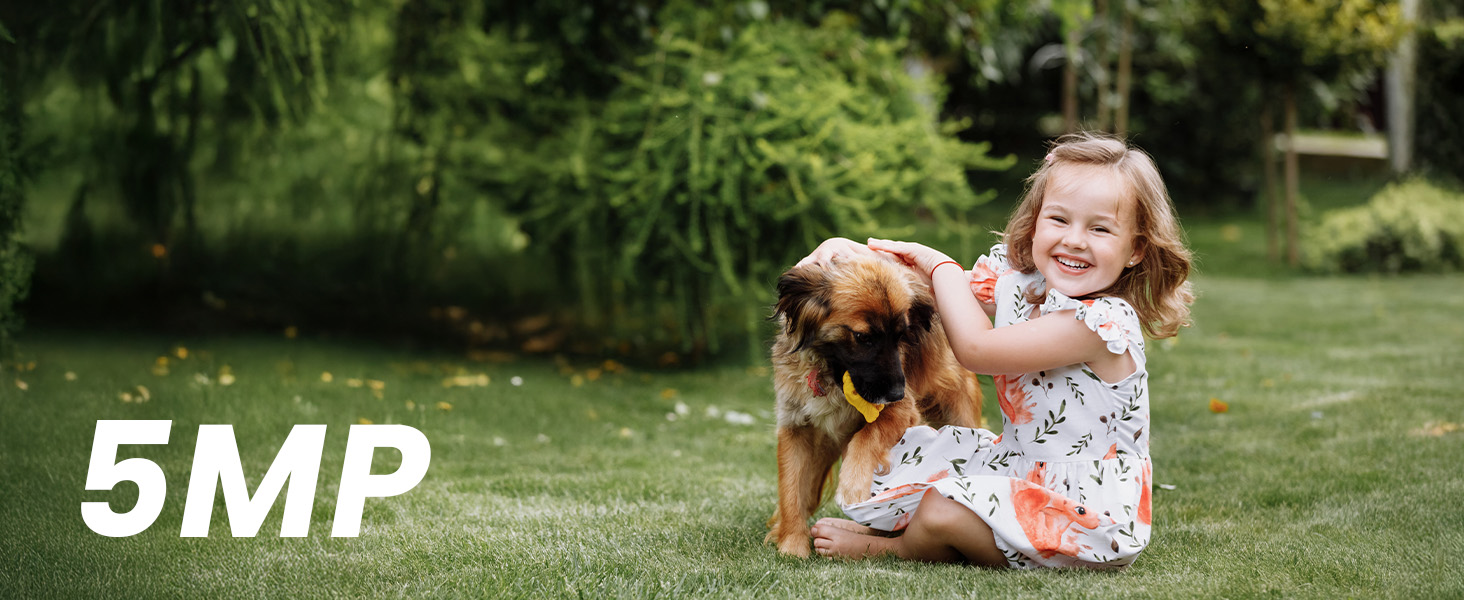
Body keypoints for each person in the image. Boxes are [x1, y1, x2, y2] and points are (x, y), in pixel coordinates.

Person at [798, 132, 1193, 569]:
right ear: (1035, 223)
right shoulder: (1026, 287)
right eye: (1059, 219)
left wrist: (942, 264)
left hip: (1083, 517)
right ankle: (922, 527)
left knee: (941, 508)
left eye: (1099, 228)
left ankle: (897, 547)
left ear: (1135, 249)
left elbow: (975, 349)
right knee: (896, 460)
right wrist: (846, 253)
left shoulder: (1100, 324)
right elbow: (926, 288)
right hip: (1020, 468)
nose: (1075, 240)